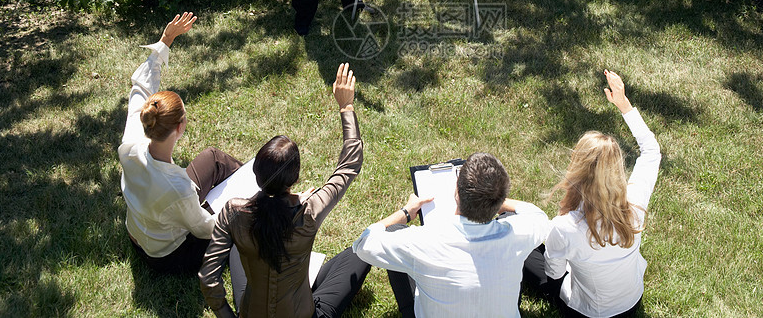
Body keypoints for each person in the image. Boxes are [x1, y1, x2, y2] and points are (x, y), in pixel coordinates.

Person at [199, 63, 369, 318]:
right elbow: (349, 165)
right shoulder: (310, 210)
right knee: (363, 251)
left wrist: (227, 315)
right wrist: (346, 106)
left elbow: (208, 278)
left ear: (256, 174)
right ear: (295, 178)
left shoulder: (233, 212)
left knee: (237, 247)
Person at [522, 69, 661, 317]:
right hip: (631, 304)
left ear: (578, 171)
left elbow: (554, 272)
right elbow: (651, 151)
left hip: (588, 312)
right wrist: (624, 104)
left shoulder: (565, 226)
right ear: (618, 168)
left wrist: (556, 294)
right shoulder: (635, 204)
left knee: (526, 252)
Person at [352, 152, 549, 318]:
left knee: (394, 232)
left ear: (456, 191)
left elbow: (364, 243)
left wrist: (405, 212)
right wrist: (494, 198)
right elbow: (537, 215)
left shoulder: (422, 242)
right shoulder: (518, 234)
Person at [119, 12, 243, 274]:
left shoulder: (131, 142)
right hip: (165, 256)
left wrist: (166, 39)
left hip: (138, 231)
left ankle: (253, 177)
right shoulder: (179, 188)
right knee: (236, 227)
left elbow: (140, 88)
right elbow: (204, 229)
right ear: (180, 128)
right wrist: (235, 211)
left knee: (213, 158)